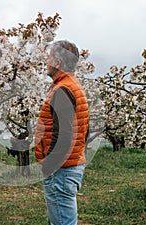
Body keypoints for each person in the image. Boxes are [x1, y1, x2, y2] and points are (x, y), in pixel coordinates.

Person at [34, 40, 89, 225]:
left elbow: (65, 136)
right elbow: (83, 131)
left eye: (49, 57)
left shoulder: (63, 89)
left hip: (61, 171)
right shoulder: (71, 85)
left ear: (57, 63)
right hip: (68, 166)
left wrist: (49, 165)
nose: (46, 61)